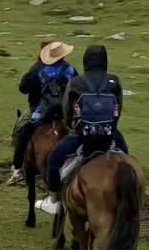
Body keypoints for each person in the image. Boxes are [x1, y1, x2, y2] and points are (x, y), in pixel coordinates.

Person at [41, 44, 128, 214]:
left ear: (85, 61)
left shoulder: (75, 82)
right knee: (127, 162)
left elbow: (67, 111)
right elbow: (119, 108)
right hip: (110, 134)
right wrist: (110, 127)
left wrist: (72, 127)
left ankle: (54, 201)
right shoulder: (114, 81)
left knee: (52, 159)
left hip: (80, 135)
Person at [6, 39, 75, 185]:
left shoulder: (38, 69)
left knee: (21, 132)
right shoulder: (70, 69)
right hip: (64, 113)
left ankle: (17, 169)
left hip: (40, 111)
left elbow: (23, 88)